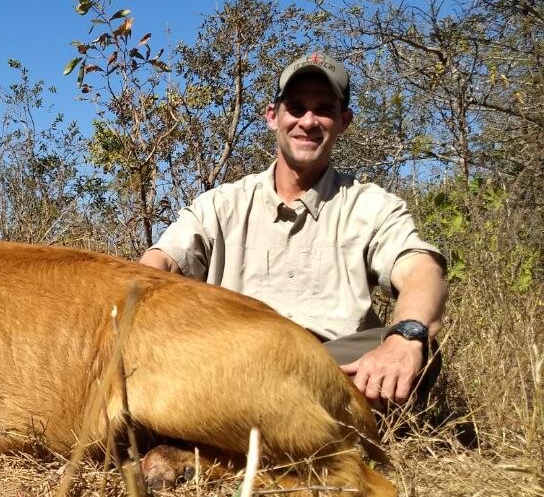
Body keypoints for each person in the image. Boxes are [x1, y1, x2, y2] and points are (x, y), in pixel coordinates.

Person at [140, 52, 448, 406]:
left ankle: (247, 423)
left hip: (328, 367)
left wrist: (405, 337)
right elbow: (159, 264)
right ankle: (272, 427)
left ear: (344, 121)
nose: (308, 121)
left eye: (324, 109)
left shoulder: (369, 205)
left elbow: (422, 269)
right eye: (296, 108)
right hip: (230, 360)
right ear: (274, 117)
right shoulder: (221, 204)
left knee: (422, 352)